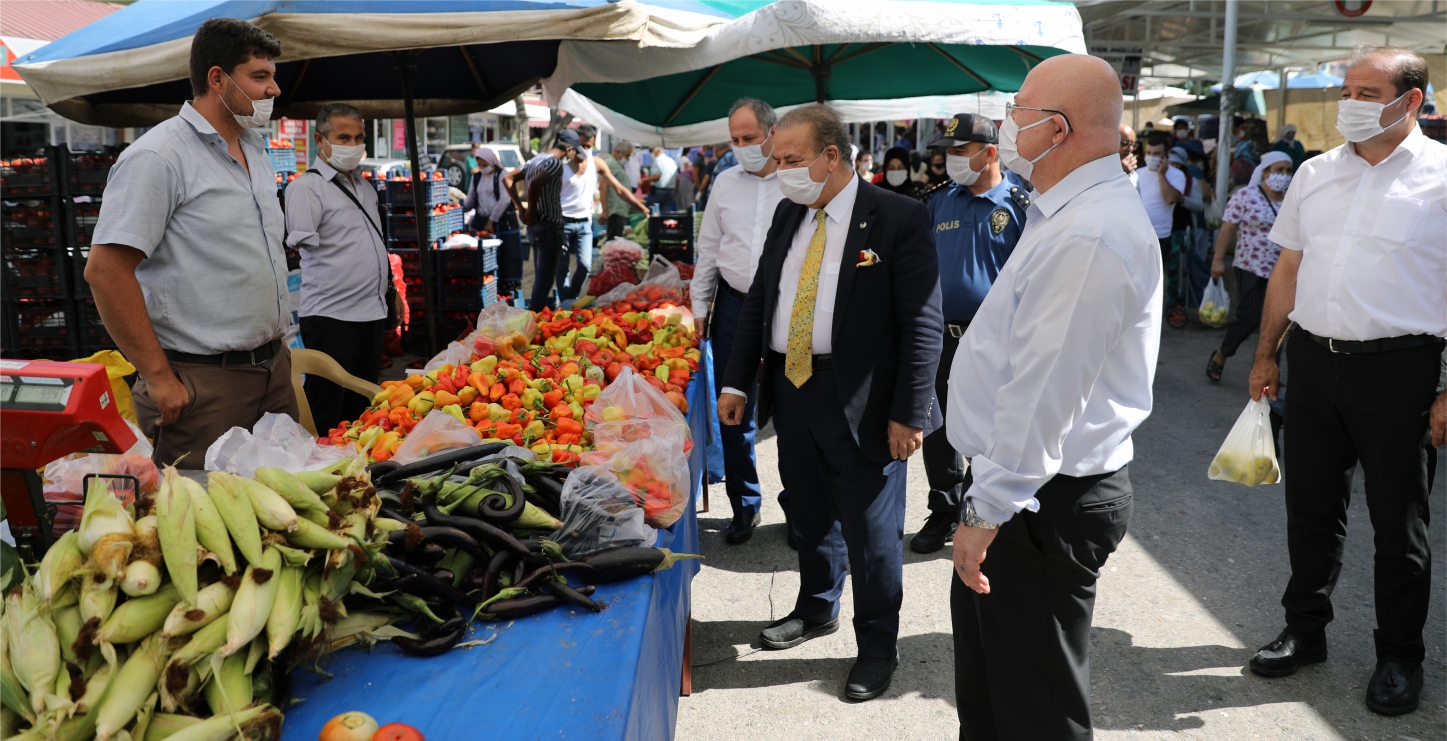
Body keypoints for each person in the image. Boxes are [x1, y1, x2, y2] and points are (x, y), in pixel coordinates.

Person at [948, 54, 1162, 740]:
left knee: (1036, 709)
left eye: (1016, 113)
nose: (1005, 127)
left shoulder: (1089, 230)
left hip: (1041, 497)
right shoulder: (1066, 210)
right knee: (995, 692)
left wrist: (987, 506)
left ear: (1057, 128)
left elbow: (1043, 391)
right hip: (1023, 488)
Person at [1244, 45, 1446, 718]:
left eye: (1365, 92)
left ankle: (1398, 656)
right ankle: (1304, 629)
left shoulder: (1443, 177)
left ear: (1410, 100)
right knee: (1309, 509)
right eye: (1345, 90)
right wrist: (1266, 353)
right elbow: (1286, 269)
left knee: (1398, 522)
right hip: (1314, 363)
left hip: (1403, 370)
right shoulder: (1314, 173)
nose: (1348, 104)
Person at [717, 104, 942, 702]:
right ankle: (817, 607)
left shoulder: (898, 218)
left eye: (791, 160)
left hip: (866, 400)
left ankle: (876, 647)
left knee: (872, 533)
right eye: (777, 159)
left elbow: (922, 324)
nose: (781, 170)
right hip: (793, 390)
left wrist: (909, 414)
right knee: (810, 513)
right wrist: (737, 382)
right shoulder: (791, 212)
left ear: (831, 156)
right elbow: (760, 301)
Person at [86, 18, 297, 467]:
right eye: (260, 77)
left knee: (286, 519)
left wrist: (279, 357)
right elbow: (105, 271)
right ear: (217, 79)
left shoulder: (255, 148)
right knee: (209, 526)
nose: (273, 89)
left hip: (272, 370)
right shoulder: (158, 157)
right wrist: (158, 376)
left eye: (272, 76)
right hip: (202, 385)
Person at [909, 113, 1030, 555]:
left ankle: (987, 510)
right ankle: (943, 508)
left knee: (991, 426)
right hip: (939, 335)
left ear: (990, 152)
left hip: (994, 340)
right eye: (947, 152)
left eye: (959, 151)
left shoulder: (1019, 204)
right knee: (937, 426)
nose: (950, 160)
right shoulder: (938, 200)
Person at [691, 98, 788, 545]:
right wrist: (699, 309)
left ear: (772, 132)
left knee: (793, 408)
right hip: (733, 306)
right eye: (734, 140)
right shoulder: (725, 183)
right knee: (733, 409)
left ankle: (801, 507)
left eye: (749, 138)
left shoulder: (796, 180)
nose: (742, 147)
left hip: (788, 306)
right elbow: (708, 249)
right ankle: (743, 506)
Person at [283, 103, 390, 433]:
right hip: (332, 317)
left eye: (358, 137)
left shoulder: (366, 188)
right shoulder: (306, 188)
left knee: (364, 409)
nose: (353, 145)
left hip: (372, 314)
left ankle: (357, 477)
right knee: (326, 410)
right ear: (320, 139)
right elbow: (297, 248)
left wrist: (390, 291)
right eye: (343, 137)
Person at [1204, 151, 1293, 383]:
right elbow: (1227, 229)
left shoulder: (1292, 199)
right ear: (1265, 172)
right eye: (1278, 170)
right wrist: (1217, 260)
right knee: (1250, 317)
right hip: (1250, 266)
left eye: (1287, 170)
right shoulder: (1245, 195)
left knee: (1278, 320)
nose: (1283, 175)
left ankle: (1271, 372)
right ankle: (1222, 354)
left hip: (1282, 269)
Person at [557, 125, 647, 304]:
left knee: (584, 265)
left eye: (589, 146)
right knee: (562, 266)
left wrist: (640, 206)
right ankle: (566, 301)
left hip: (584, 224)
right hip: (563, 222)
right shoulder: (561, 165)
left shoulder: (596, 163)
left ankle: (571, 296)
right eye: (581, 145)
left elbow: (618, 188)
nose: (584, 150)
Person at [504, 128, 574, 310]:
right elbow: (534, 185)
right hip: (549, 227)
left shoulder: (535, 160)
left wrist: (520, 207)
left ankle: (534, 317)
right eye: (574, 151)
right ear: (569, 149)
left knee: (541, 277)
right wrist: (530, 212)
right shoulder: (555, 163)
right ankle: (534, 320)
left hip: (536, 228)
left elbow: (508, 178)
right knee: (545, 280)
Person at [1137, 131, 1187, 324]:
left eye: (1157, 153)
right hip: (1137, 235)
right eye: (1149, 152)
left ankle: (1153, 316)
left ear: (1166, 156)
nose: (1151, 156)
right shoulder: (1137, 174)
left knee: (1157, 280)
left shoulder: (1176, 175)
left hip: (1161, 236)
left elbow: (1171, 198)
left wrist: (1161, 174)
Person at [464, 147, 522, 295]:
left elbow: (504, 200)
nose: (483, 168)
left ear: (492, 162)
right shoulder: (476, 177)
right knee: (487, 259)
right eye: (480, 165)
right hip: (482, 222)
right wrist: (460, 207)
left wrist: (491, 220)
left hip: (504, 224)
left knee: (508, 258)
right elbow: (470, 200)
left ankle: (508, 293)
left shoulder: (502, 175)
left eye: (485, 164)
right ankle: (491, 291)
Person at [601, 141, 639, 241]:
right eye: (627, 155)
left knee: (615, 238)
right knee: (614, 240)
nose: (628, 159)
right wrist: (605, 211)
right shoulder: (610, 163)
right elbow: (603, 187)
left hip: (620, 209)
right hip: (615, 209)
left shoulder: (616, 164)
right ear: (618, 152)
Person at [642, 146, 678, 211]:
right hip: (670, 192)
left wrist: (643, 180)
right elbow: (677, 178)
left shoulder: (658, 160)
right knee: (665, 215)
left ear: (658, 150)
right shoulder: (671, 161)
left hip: (658, 192)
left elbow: (657, 176)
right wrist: (675, 193)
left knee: (651, 213)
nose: (651, 154)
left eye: (652, 151)